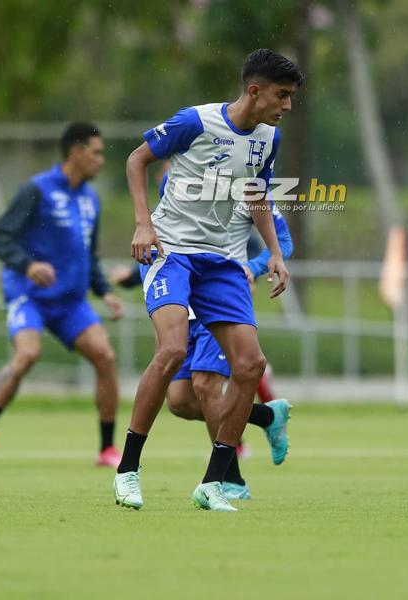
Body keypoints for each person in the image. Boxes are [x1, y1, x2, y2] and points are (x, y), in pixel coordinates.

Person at [114, 48, 304, 512]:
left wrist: (275, 254)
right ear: (254, 91)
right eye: (282, 95)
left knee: (250, 365)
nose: (287, 106)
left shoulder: (267, 139)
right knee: (174, 351)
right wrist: (144, 224)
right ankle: (127, 471)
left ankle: (214, 482)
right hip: (171, 252)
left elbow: (258, 191)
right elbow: (136, 161)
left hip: (221, 261)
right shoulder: (194, 122)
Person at [0, 123, 125, 468]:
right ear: (75, 152)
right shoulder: (37, 189)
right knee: (27, 356)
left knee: (105, 357)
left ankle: (107, 449)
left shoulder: (91, 199)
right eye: (95, 152)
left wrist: (105, 292)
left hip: (70, 303)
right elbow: (1, 236)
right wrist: (27, 265)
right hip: (30, 296)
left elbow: (88, 254)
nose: (100, 160)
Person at [162, 199, 295, 501]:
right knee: (180, 401)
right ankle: (265, 416)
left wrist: (252, 267)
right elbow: (167, 239)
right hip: (186, 303)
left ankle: (231, 480)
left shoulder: (247, 185)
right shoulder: (175, 183)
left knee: (206, 385)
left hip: (221, 301)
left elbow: (283, 241)